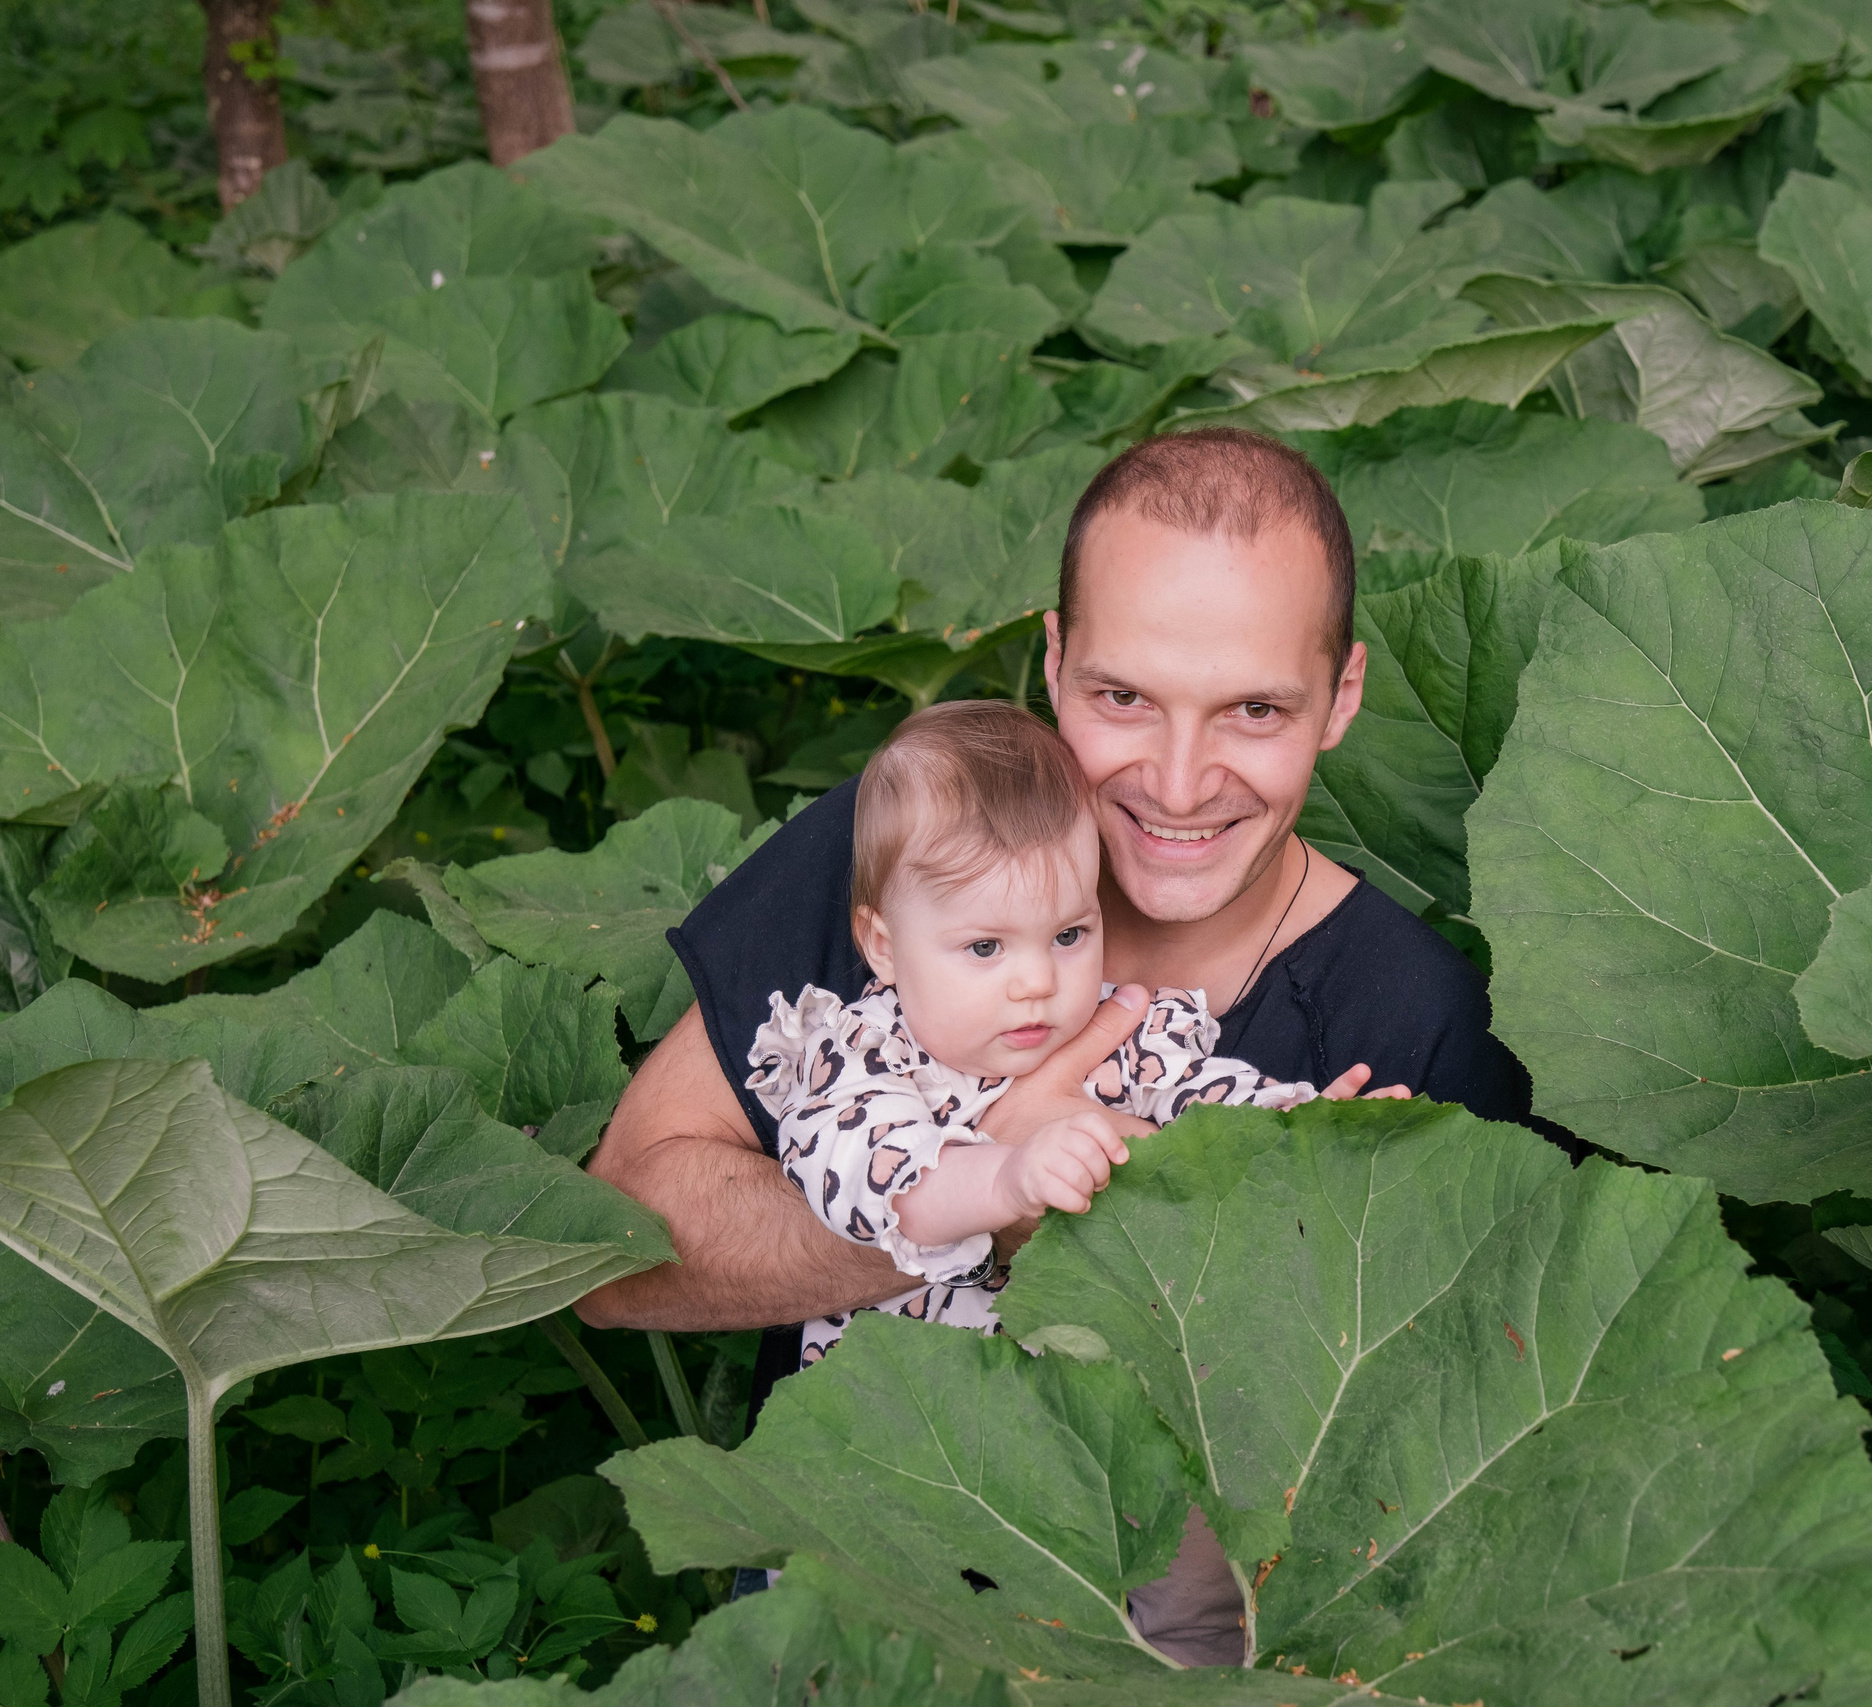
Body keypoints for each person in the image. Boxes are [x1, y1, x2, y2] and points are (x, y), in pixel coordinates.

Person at [575, 426, 1546, 1662]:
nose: (1181, 784)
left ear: (1342, 698)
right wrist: (979, 1190)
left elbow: (1451, 1480)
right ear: (1050, 660)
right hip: (864, 1593)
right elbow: (614, 1254)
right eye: (1123, 698)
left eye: (1253, 709)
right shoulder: (908, 850)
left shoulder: (1413, 1029)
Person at [746, 698, 1397, 1366]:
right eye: (984, 947)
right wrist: (1007, 1179)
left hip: (1064, 1423)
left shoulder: (1114, 1031)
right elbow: (874, 1186)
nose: (1037, 981)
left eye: (1067, 934)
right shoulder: (860, 1053)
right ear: (883, 944)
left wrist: (1308, 1132)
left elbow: (1205, 1103)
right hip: (898, 1416)